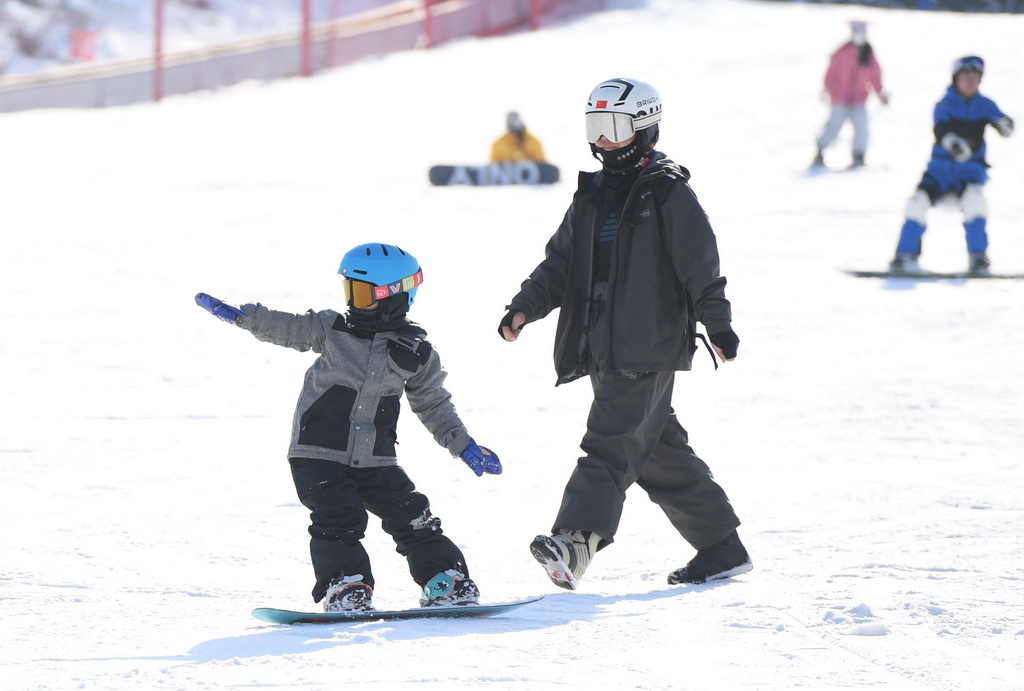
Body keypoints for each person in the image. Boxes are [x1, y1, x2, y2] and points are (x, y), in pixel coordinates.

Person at [497, 77, 751, 590]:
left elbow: (700, 265)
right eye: (596, 128)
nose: (604, 141)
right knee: (658, 453)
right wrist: (526, 306)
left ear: (645, 129)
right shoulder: (592, 196)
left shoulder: (668, 191)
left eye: (615, 128)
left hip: (646, 345)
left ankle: (575, 541)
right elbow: (560, 264)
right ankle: (722, 548)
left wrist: (717, 323)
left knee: (610, 445)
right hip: (602, 345)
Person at [195, 243, 502, 612]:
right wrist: (243, 316)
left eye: (363, 294)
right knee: (339, 518)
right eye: (350, 291)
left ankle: (445, 581)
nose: (354, 303)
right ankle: (346, 586)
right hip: (317, 452)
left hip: (376, 458)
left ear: (393, 296)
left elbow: (433, 404)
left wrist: (463, 444)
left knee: (413, 516)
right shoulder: (332, 329)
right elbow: (287, 326)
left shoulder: (416, 353)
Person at [889, 56, 1014, 276]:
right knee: (916, 203)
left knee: (976, 203)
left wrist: (1005, 125)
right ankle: (904, 256)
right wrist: (952, 143)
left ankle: (978, 258)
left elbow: (1001, 121)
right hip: (939, 173)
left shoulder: (985, 104)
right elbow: (941, 130)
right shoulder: (945, 103)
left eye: (975, 77)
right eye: (965, 77)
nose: (970, 81)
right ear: (956, 78)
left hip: (969, 175)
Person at [812, 20, 888, 169]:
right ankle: (820, 151)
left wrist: (881, 94)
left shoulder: (869, 54)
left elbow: (875, 76)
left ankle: (859, 155)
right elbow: (831, 73)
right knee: (834, 125)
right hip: (840, 97)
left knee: (861, 126)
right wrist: (826, 88)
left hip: (859, 98)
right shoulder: (842, 53)